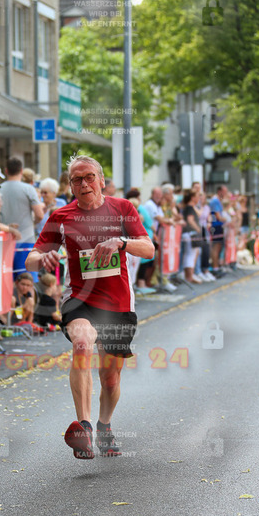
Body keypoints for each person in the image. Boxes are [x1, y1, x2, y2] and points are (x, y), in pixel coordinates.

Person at [26, 155, 154, 459]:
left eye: (89, 177)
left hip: (118, 303)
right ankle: (83, 427)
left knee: (110, 380)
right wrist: (42, 258)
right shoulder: (61, 216)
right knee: (82, 343)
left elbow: (149, 248)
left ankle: (104, 424)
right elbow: (31, 258)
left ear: (101, 180)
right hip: (79, 299)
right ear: (70, 186)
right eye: (76, 180)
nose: (84, 184)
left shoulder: (122, 208)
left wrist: (120, 242)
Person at [0, 157, 44, 279]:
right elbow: (40, 214)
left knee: (6, 281)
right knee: (27, 281)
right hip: (26, 239)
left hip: (3, 240)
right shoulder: (28, 189)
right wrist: (33, 223)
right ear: (21, 171)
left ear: (6, 171)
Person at [209, 185, 228, 274]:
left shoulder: (218, 201)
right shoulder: (215, 201)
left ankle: (217, 266)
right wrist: (226, 219)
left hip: (219, 226)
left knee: (219, 247)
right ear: (219, 191)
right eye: (224, 192)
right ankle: (215, 268)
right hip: (215, 226)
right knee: (215, 247)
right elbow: (218, 216)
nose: (225, 194)